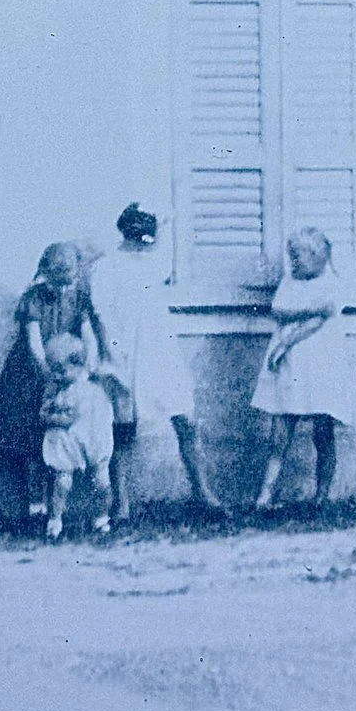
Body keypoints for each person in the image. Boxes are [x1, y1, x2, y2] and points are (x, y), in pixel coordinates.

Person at [84, 203, 227, 525]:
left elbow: (163, 253)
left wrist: (165, 220)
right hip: (123, 351)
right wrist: (110, 355)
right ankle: (120, 503)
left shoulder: (152, 263)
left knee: (186, 420)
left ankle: (203, 495)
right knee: (121, 429)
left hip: (159, 350)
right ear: (131, 234)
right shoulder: (106, 268)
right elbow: (100, 314)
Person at [0, 241, 103, 528]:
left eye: (68, 281)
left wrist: (86, 368)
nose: (62, 289)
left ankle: (63, 505)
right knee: (32, 439)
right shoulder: (34, 298)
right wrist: (49, 374)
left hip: (68, 370)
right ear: (46, 274)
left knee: (68, 435)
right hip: (32, 373)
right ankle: (35, 504)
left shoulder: (80, 299)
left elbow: (88, 336)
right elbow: (34, 343)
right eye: (56, 281)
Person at [250, 227, 353, 513]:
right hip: (293, 364)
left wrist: (285, 342)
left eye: (298, 256)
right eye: (291, 257)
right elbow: (279, 310)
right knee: (281, 428)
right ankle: (265, 495)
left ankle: (321, 495)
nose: (293, 262)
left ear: (316, 255)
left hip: (321, 359)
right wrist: (309, 310)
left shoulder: (332, 283)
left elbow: (319, 321)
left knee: (323, 428)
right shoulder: (290, 281)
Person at [38, 334, 117, 541]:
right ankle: (55, 521)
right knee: (62, 481)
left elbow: (104, 415)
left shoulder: (94, 390)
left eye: (60, 370)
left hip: (93, 440)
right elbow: (43, 414)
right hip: (65, 442)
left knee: (102, 481)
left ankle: (102, 518)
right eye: (53, 370)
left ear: (78, 364)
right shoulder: (54, 390)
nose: (56, 376)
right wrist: (57, 418)